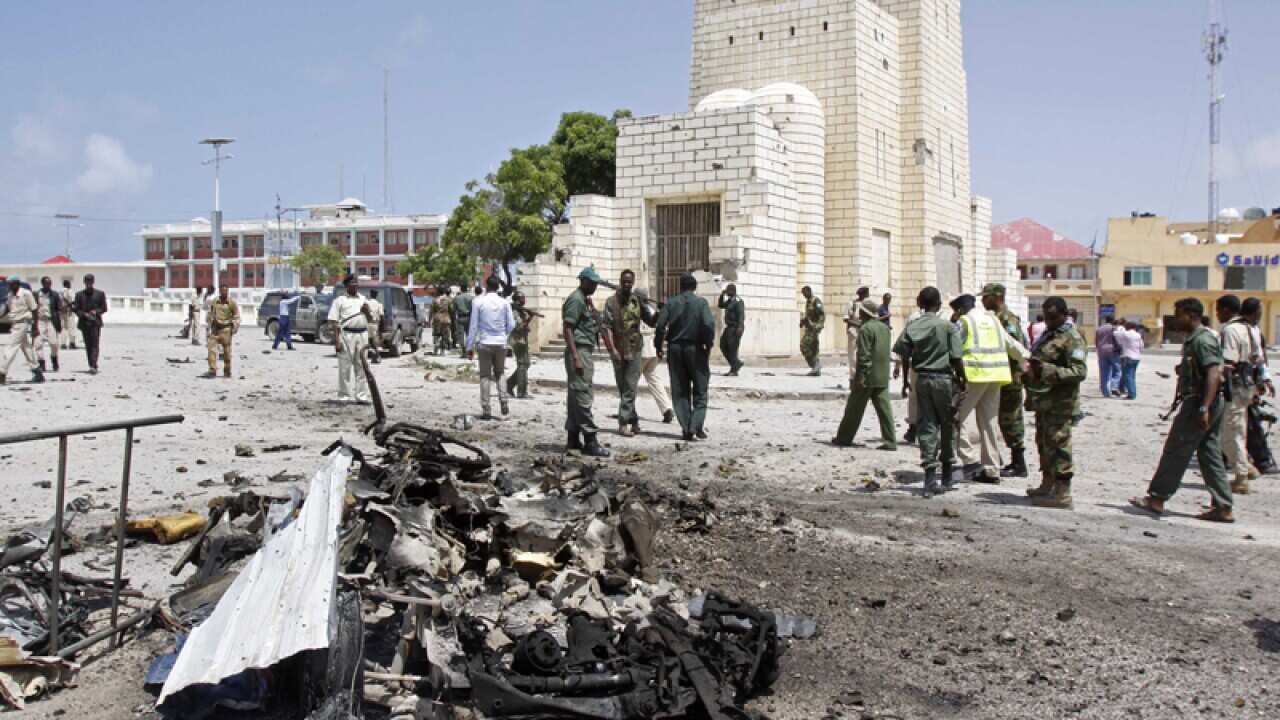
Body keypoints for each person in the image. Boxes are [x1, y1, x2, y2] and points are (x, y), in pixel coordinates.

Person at [1129, 298, 1234, 522]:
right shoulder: (1195, 339)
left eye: (1179, 315)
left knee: (1176, 449)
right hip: (1208, 401)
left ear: (1191, 315)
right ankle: (1223, 506)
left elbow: (1214, 373)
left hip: (1200, 403)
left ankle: (1157, 498)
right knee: (1209, 453)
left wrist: (1204, 407)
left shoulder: (1202, 340)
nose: (1176, 320)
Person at [892, 287, 963, 497]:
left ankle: (930, 477)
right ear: (939, 304)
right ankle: (947, 475)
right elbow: (956, 358)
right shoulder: (948, 327)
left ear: (920, 304)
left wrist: (906, 381)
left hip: (922, 379)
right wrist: (963, 380)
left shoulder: (913, 326)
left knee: (927, 425)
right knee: (947, 425)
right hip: (944, 380)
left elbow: (904, 354)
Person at [1022, 296, 1087, 509]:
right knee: (1044, 443)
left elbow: (1079, 371)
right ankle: (1047, 484)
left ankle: (1062, 493)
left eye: (1053, 317)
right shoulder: (1049, 335)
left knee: (1059, 446)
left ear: (1063, 314)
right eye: (1046, 316)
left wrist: (1046, 370)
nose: (1048, 321)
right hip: (1044, 401)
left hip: (1061, 402)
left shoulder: (1072, 337)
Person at [952, 293, 1012, 483]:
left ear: (959, 309)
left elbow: (952, 346)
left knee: (957, 417)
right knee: (989, 422)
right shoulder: (993, 320)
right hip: (996, 376)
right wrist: (1025, 358)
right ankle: (992, 469)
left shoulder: (964, 322)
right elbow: (1010, 343)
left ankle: (969, 460)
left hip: (975, 375)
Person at [655, 273, 716, 442]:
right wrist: (708, 343)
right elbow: (708, 324)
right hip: (695, 349)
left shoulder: (671, 303)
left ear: (680, 287)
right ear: (695, 287)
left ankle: (687, 427)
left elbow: (660, 326)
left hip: (675, 349)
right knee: (701, 389)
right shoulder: (701, 303)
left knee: (680, 390)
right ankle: (695, 425)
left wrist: (658, 346)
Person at [833, 297, 895, 449]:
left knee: (854, 409)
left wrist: (860, 377)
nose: (859, 314)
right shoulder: (885, 328)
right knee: (885, 411)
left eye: (861, 311)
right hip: (882, 375)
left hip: (868, 377)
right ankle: (890, 440)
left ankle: (844, 437)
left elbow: (864, 355)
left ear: (865, 313)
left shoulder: (866, 329)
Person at [1217, 294, 1263, 495]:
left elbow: (1228, 362)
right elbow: (1259, 359)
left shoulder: (1231, 330)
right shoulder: (1252, 329)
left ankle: (1241, 476)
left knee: (1229, 433)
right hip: (1248, 384)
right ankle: (1247, 467)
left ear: (1226, 310)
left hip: (1234, 385)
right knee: (1239, 429)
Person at [603, 270, 657, 436]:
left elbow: (651, 321)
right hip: (618, 349)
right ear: (620, 282)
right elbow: (606, 328)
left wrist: (659, 313)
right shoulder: (611, 302)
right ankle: (634, 420)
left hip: (635, 349)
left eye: (629, 282)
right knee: (623, 387)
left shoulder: (637, 301)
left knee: (630, 386)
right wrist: (612, 350)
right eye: (624, 282)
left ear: (633, 283)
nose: (627, 285)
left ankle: (623, 423)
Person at [562, 268, 610, 457]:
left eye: (596, 283)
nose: (594, 286)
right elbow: (568, 329)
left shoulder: (584, 300)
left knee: (575, 397)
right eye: (591, 283)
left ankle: (573, 439)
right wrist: (576, 357)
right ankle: (590, 440)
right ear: (582, 281)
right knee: (583, 396)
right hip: (579, 350)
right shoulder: (576, 299)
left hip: (584, 350)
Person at [468, 275, 516, 420]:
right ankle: (504, 401)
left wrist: (469, 346)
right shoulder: (505, 303)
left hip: (484, 342)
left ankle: (486, 409)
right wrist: (503, 335)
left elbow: (473, 326)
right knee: (500, 373)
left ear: (486, 286)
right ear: (498, 287)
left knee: (485, 376)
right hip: (500, 343)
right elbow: (511, 324)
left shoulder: (478, 302)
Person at [328, 274, 372, 403]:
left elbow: (370, 319)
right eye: (352, 282)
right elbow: (334, 322)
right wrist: (337, 341)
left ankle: (361, 396)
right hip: (346, 335)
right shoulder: (340, 301)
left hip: (362, 335)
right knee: (345, 367)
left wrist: (367, 312)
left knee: (362, 366)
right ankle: (344, 396)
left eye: (356, 282)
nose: (355, 284)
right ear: (346, 285)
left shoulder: (363, 299)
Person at [637, 288, 675, 425]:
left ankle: (627, 411)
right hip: (652, 350)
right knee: (654, 380)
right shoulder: (652, 310)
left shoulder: (638, 310)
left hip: (641, 350)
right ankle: (666, 408)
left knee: (630, 382)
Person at [0, 278, 43, 384]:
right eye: (9, 284)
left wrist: (35, 327)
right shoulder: (10, 295)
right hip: (15, 323)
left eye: (12, 284)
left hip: (23, 323)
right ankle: (37, 372)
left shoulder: (26, 293)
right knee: (27, 348)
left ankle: (2, 373)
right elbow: (7, 309)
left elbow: (34, 310)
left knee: (10, 347)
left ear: (17, 284)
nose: (10, 286)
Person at [72, 274, 107, 374]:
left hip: (95, 323)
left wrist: (95, 312)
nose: (89, 283)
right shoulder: (79, 295)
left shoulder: (100, 294)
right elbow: (76, 309)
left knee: (95, 344)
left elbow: (104, 308)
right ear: (84, 282)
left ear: (93, 282)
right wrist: (84, 314)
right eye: (87, 281)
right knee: (88, 345)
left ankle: (93, 365)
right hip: (84, 323)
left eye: (90, 281)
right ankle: (91, 364)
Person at [204, 285, 240, 379]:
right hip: (215, 329)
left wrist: (234, 329)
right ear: (220, 291)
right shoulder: (215, 301)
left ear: (228, 291)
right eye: (222, 291)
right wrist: (209, 326)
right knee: (211, 349)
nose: (224, 292)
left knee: (227, 352)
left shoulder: (232, 303)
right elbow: (210, 313)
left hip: (226, 330)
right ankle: (212, 370)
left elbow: (237, 317)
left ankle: (227, 371)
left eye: (226, 291)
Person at [506, 291, 534, 399]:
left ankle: (510, 383)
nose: (524, 300)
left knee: (526, 364)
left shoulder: (520, 311)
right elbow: (519, 326)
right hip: (517, 340)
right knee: (522, 365)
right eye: (523, 298)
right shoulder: (514, 312)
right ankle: (521, 392)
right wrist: (530, 318)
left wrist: (529, 317)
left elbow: (525, 326)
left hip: (522, 339)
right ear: (518, 300)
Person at [34, 276, 62, 373]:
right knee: (38, 343)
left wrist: (59, 314)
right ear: (42, 284)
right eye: (46, 283)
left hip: (51, 321)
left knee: (54, 343)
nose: (48, 285)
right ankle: (41, 363)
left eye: (50, 283)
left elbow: (59, 308)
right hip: (40, 321)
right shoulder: (36, 294)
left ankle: (54, 359)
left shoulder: (54, 294)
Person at [717, 284, 745, 376]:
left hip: (735, 328)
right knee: (723, 345)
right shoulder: (730, 301)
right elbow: (720, 305)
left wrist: (740, 327)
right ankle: (736, 364)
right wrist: (722, 295)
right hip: (729, 328)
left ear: (733, 291)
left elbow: (741, 315)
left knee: (732, 349)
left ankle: (734, 370)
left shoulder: (738, 301)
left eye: (728, 290)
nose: (727, 292)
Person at [843, 286, 870, 378]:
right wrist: (858, 325)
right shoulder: (852, 304)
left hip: (865, 332)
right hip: (854, 332)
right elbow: (846, 319)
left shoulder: (868, 304)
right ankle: (853, 377)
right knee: (853, 355)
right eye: (867, 294)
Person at [1114, 320, 1144, 399]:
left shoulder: (1126, 333)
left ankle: (1131, 394)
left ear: (1128, 327)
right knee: (1132, 376)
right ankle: (1129, 391)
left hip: (1127, 356)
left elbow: (1115, 333)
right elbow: (1142, 346)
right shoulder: (1138, 335)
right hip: (1137, 357)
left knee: (1128, 376)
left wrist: (1120, 328)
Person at [800, 285, 825, 376]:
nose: (804, 296)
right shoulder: (808, 302)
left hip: (814, 328)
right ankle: (816, 369)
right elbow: (808, 315)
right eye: (803, 294)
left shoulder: (816, 301)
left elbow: (822, 315)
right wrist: (803, 322)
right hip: (809, 328)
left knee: (804, 345)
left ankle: (815, 364)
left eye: (804, 294)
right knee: (814, 348)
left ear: (809, 291)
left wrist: (817, 326)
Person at [1095, 316, 1121, 398]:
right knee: (1117, 370)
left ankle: (1105, 393)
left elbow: (1096, 341)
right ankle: (1113, 386)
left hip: (1101, 351)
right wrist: (1119, 348)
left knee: (1104, 373)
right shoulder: (1113, 328)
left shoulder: (1099, 329)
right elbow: (1117, 339)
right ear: (1112, 320)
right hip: (1112, 350)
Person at [452, 285, 475, 357]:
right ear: (467, 289)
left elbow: (454, 310)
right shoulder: (471, 298)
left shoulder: (456, 298)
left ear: (461, 289)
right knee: (469, 335)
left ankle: (464, 351)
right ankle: (470, 351)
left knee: (460, 335)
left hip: (460, 318)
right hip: (469, 318)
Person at [365, 290, 385, 364]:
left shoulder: (366, 303)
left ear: (370, 295)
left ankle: (368, 357)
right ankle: (376, 356)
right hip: (375, 324)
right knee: (374, 342)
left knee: (367, 341)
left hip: (366, 324)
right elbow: (382, 316)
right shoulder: (379, 304)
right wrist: (382, 328)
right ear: (376, 296)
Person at [432, 287, 453, 355]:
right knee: (445, 335)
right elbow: (451, 309)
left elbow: (432, 310)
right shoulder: (448, 300)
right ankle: (442, 351)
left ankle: (436, 349)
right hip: (446, 319)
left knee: (436, 334)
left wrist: (431, 319)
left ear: (438, 292)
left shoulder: (435, 300)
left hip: (437, 319)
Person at [59, 279, 78, 350]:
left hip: (62, 312)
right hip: (69, 312)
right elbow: (72, 300)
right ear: (68, 284)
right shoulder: (69, 291)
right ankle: (72, 343)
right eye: (69, 284)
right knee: (71, 328)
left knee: (63, 328)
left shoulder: (60, 291)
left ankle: (63, 344)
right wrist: (71, 306)